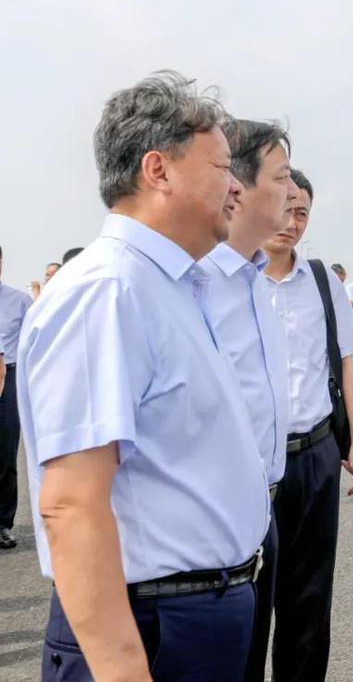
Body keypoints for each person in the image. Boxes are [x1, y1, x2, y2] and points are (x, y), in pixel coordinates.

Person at [17, 71, 269, 681]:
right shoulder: (109, 291)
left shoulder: (169, 285)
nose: (237, 187)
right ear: (158, 170)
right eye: (222, 168)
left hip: (193, 618)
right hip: (150, 629)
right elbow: (72, 503)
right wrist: (122, 669)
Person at [262, 168, 353, 680]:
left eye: (301, 212)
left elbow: (347, 363)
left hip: (314, 455)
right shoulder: (230, 279)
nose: (291, 221)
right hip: (251, 463)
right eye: (283, 208)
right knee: (249, 596)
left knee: (308, 597)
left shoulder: (323, 281)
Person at [198, 117, 298, 682]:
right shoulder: (194, 285)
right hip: (206, 531)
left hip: (262, 512)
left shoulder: (254, 282)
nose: (293, 192)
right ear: (236, 185)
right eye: (281, 177)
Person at [0, 245, 33, 549]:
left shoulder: (20, 301)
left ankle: (3, 523)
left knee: (5, 451)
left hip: (8, 377)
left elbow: (32, 347)